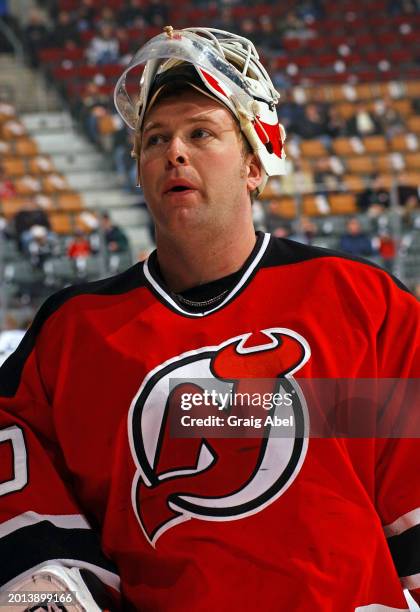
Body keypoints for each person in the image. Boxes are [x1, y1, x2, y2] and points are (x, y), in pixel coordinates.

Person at [0, 26, 419, 612]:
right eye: (155, 139)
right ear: (140, 171)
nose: (174, 151)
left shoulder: (358, 302)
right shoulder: (75, 334)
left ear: (254, 162)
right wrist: (45, 584)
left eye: (202, 133)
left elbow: (407, 484)